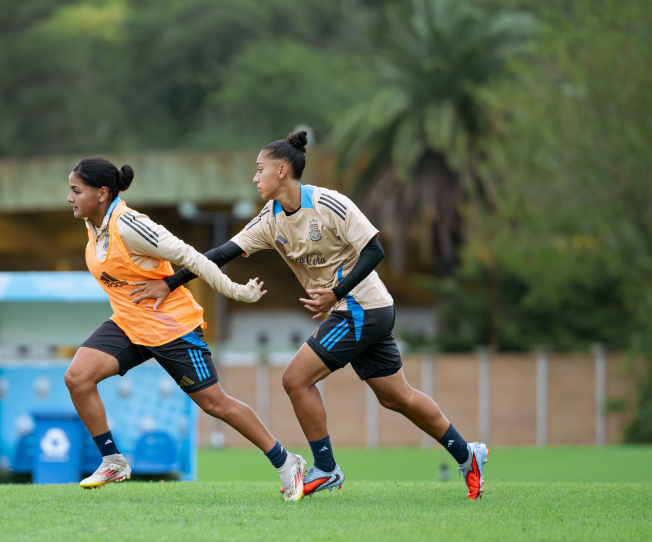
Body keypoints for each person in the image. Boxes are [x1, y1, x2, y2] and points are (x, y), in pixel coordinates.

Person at [131, 131, 489, 500]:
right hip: (359, 309)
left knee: (295, 379)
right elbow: (221, 254)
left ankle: (326, 468)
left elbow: (374, 250)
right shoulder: (269, 219)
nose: (254, 178)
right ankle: (467, 455)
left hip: (361, 306)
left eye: (259, 170)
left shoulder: (328, 204)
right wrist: (172, 282)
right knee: (396, 396)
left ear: (282, 170)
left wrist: (336, 292)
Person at [64, 157, 307, 500]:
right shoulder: (93, 225)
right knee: (77, 377)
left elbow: (192, 257)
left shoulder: (131, 225)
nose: (70, 198)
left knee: (215, 404)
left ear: (102, 193)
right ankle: (113, 460)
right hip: (129, 323)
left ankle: (287, 462)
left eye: (76, 191)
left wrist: (237, 291)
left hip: (171, 326)